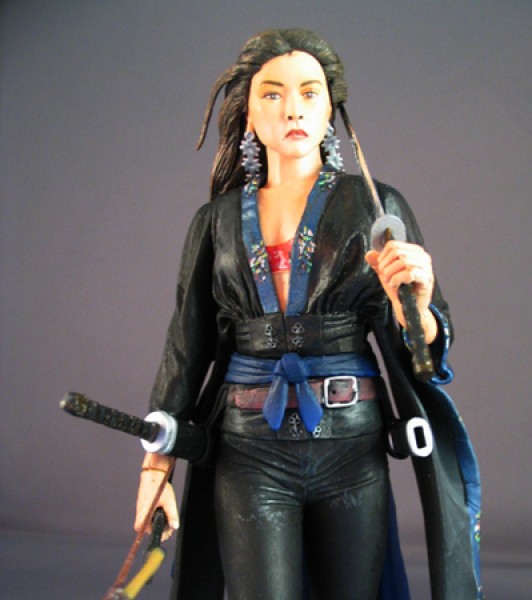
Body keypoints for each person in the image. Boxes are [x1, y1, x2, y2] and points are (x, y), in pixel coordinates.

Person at [134, 28, 481, 600]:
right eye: (272, 94)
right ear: (249, 113)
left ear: (331, 111)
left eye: (309, 92)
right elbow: (186, 346)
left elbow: (427, 347)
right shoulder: (216, 222)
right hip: (249, 450)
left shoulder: (376, 206)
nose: (292, 108)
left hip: (352, 445)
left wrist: (413, 305)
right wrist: (155, 466)